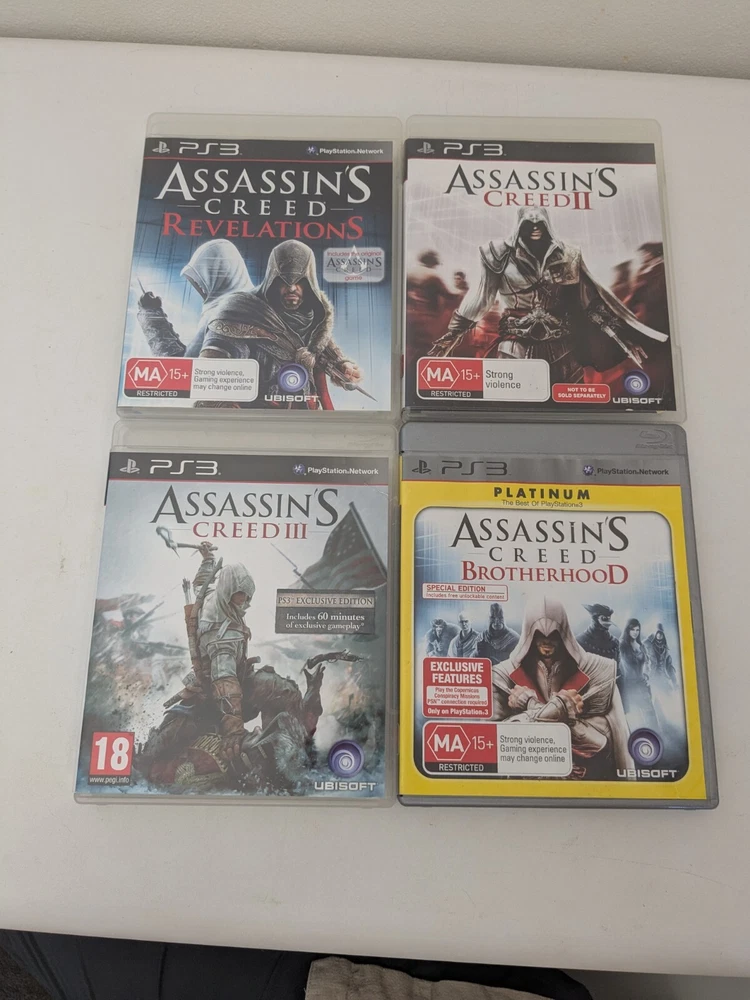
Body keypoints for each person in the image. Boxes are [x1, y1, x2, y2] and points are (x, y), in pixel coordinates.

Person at [428, 207, 668, 385]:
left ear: (547, 225)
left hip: (562, 347)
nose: (535, 228)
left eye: (540, 223)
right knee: (511, 405)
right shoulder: (497, 255)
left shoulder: (569, 256)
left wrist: (621, 336)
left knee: (568, 406)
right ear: (518, 225)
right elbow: (481, 298)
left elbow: (590, 303)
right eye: (529, 223)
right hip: (515, 344)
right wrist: (453, 334)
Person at [137, 239, 363, 409]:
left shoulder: (313, 318)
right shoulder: (238, 311)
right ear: (273, 279)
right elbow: (196, 377)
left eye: (300, 282)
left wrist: (343, 367)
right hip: (256, 422)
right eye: (284, 281)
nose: (292, 288)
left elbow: (324, 352)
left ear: (310, 283)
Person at [492, 596, 633, 780]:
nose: (546, 642)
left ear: (563, 633)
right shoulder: (503, 675)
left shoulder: (599, 672)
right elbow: (490, 741)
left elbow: (615, 740)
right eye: (539, 635)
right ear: (529, 634)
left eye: (553, 636)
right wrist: (556, 711)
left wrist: (533, 707)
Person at [136, 238, 253, 357]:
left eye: (203, 279)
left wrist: (151, 315)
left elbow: (184, 365)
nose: (199, 287)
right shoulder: (253, 308)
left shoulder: (219, 316)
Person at [617, 618, 658, 730]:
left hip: (641, 683)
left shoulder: (641, 645)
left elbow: (647, 662)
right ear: (627, 630)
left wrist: (646, 673)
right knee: (634, 718)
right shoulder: (622, 645)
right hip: (628, 685)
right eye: (632, 629)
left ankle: (654, 735)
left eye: (637, 630)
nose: (635, 632)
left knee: (650, 714)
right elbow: (616, 663)